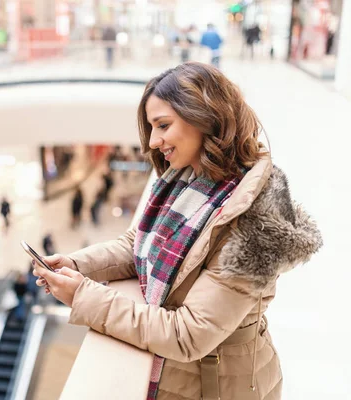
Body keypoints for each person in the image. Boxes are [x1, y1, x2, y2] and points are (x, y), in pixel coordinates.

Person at [33, 63, 322, 400]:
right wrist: (78, 264)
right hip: (183, 379)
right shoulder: (183, 179)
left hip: (219, 386)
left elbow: (189, 333)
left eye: (163, 126)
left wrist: (84, 295)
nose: (154, 142)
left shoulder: (256, 218)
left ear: (205, 116)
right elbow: (139, 244)